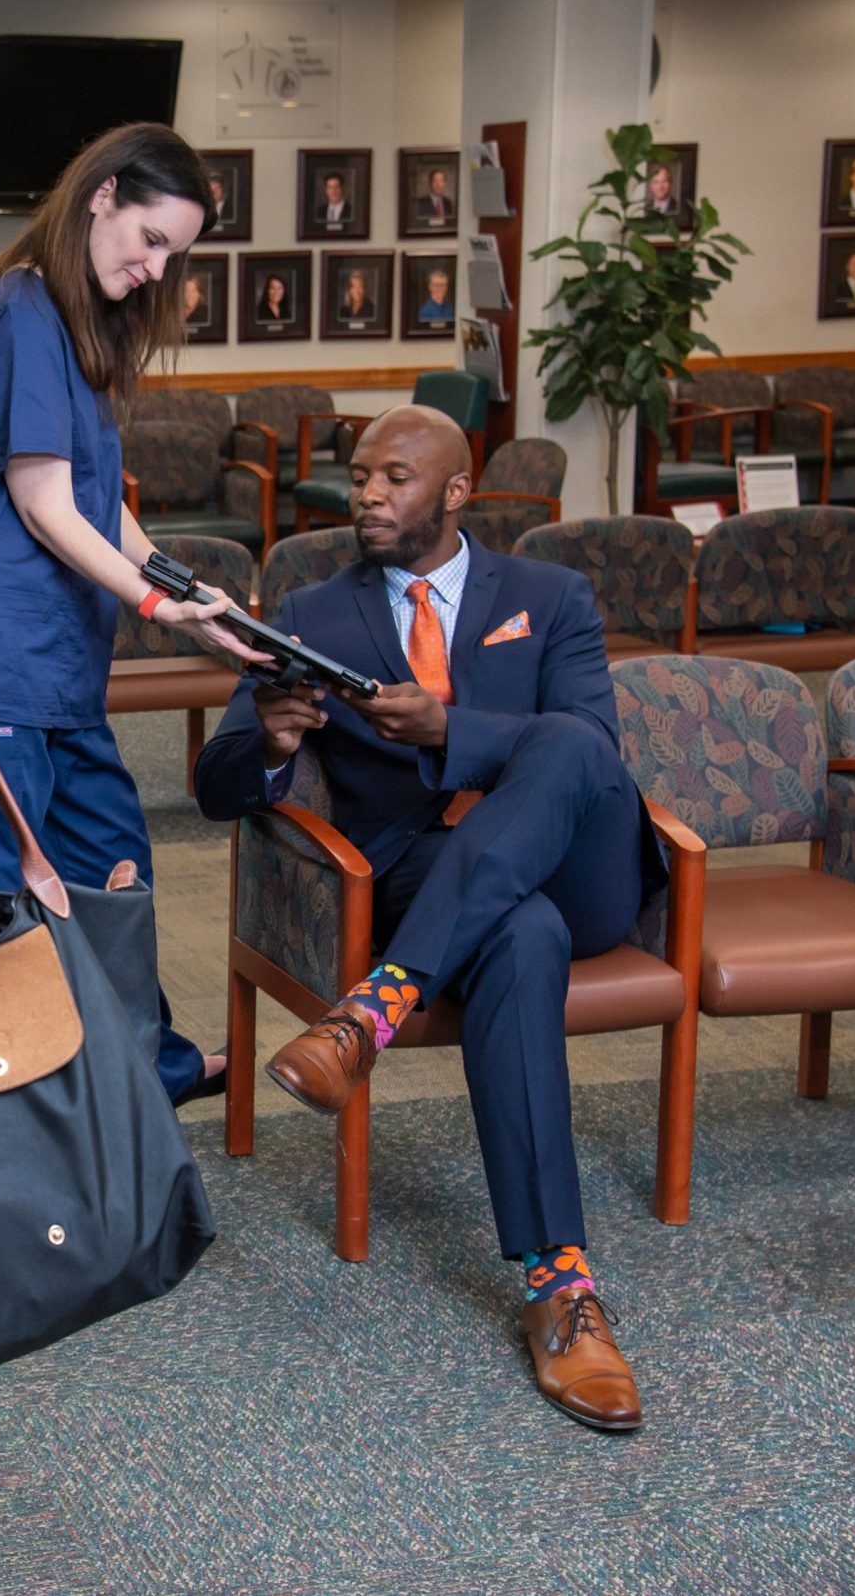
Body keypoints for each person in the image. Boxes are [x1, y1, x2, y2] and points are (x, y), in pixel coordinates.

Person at [193, 404, 665, 1433]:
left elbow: (592, 743)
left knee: (573, 747)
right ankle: (562, 1287)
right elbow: (216, 784)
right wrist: (271, 740)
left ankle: (377, 1001)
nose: (367, 494)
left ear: (456, 490)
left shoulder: (550, 594)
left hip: (580, 869)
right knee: (518, 935)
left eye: (395, 477)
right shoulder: (314, 612)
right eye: (359, 475)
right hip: (425, 875)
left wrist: (455, 729)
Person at [0, 121, 262, 1108]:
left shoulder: (72, 323)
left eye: (172, 256)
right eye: (150, 239)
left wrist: (180, 584)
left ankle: (139, 1067)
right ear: (102, 194)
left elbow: (99, 496)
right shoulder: (19, 308)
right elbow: (41, 502)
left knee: (113, 862)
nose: (155, 271)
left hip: (58, 663)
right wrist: (156, 603)